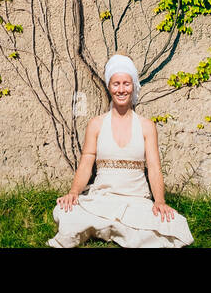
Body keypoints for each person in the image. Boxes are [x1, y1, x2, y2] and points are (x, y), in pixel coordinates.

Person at [48, 54, 193, 247]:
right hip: (102, 198)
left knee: (172, 223)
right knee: (64, 210)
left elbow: (154, 166)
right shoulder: (96, 124)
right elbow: (86, 163)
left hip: (136, 201)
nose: (121, 89)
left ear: (133, 86)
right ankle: (117, 228)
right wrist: (74, 192)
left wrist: (159, 201)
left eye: (126, 83)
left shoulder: (147, 126)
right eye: (116, 84)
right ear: (109, 86)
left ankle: (105, 227)